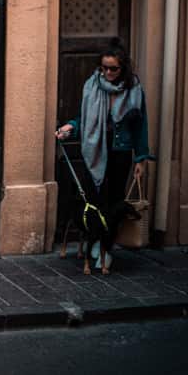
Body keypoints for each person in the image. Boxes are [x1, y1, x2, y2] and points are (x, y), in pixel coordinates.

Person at [55, 39, 153, 275]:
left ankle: (106, 249)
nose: (108, 72)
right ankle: (95, 245)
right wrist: (70, 127)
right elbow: (83, 117)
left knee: (114, 204)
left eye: (113, 69)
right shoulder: (92, 86)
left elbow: (140, 126)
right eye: (104, 68)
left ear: (123, 69)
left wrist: (140, 158)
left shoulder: (134, 90)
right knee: (93, 202)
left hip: (120, 152)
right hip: (95, 151)